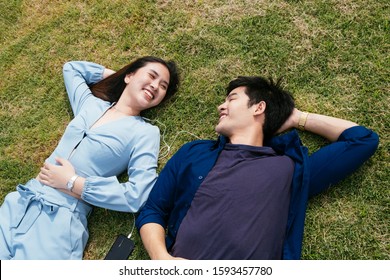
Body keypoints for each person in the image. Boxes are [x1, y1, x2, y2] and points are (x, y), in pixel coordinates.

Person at [136, 76, 379, 260]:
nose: (221, 106)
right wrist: (162, 260)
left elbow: (362, 141)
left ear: (258, 107)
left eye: (231, 99)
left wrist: (296, 118)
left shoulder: (288, 169)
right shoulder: (194, 153)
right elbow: (153, 209)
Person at [0, 56, 179, 260]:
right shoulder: (90, 105)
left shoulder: (145, 133)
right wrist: (121, 77)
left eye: (163, 86)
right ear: (130, 75)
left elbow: (138, 195)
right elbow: (71, 69)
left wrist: (73, 182)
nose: (155, 86)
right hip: (21, 201)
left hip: (60, 219)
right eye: (151, 76)